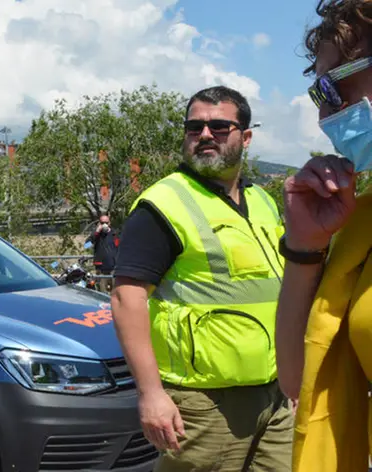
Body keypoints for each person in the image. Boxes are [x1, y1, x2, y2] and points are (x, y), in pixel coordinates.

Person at [111, 85, 292, 471]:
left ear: (245, 137)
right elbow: (127, 298)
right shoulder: (164, 204)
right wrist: (150, 394)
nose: (205, 135)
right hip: (202, 403)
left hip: (274, 396)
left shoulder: (263, 201)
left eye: (219, 127)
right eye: (195, 128)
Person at [275, 1, 372, 469]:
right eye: (318, 94)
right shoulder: (361, 226)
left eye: (331, 88)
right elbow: (299, 379)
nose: (324, 115)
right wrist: (305, 247)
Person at [87, 214, 118, 292]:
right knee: (102, 292)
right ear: (99, 223)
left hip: (114, 267)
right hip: (101, 268)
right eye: (102, 223)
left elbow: (122, 246)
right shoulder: (96, 235)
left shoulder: (115, 234)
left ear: (109, 223)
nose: (104, 225)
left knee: (115, 292)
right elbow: (86, 245)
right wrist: (97, 232)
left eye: (106, 223)